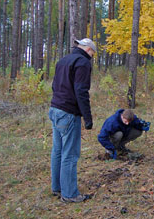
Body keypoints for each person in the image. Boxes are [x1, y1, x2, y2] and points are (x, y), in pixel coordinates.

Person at [49, 38, 96, 203]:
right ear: (89, 50)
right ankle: (69, 195)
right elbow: (81, 91)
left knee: (58, 151)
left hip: (55, 109)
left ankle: (57, 187)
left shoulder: (63, 60)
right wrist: (87, 118)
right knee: (69, 154)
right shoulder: (83, 63)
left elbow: (54, 85)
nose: (92, 56)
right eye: (93, 53)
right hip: (68, 113)